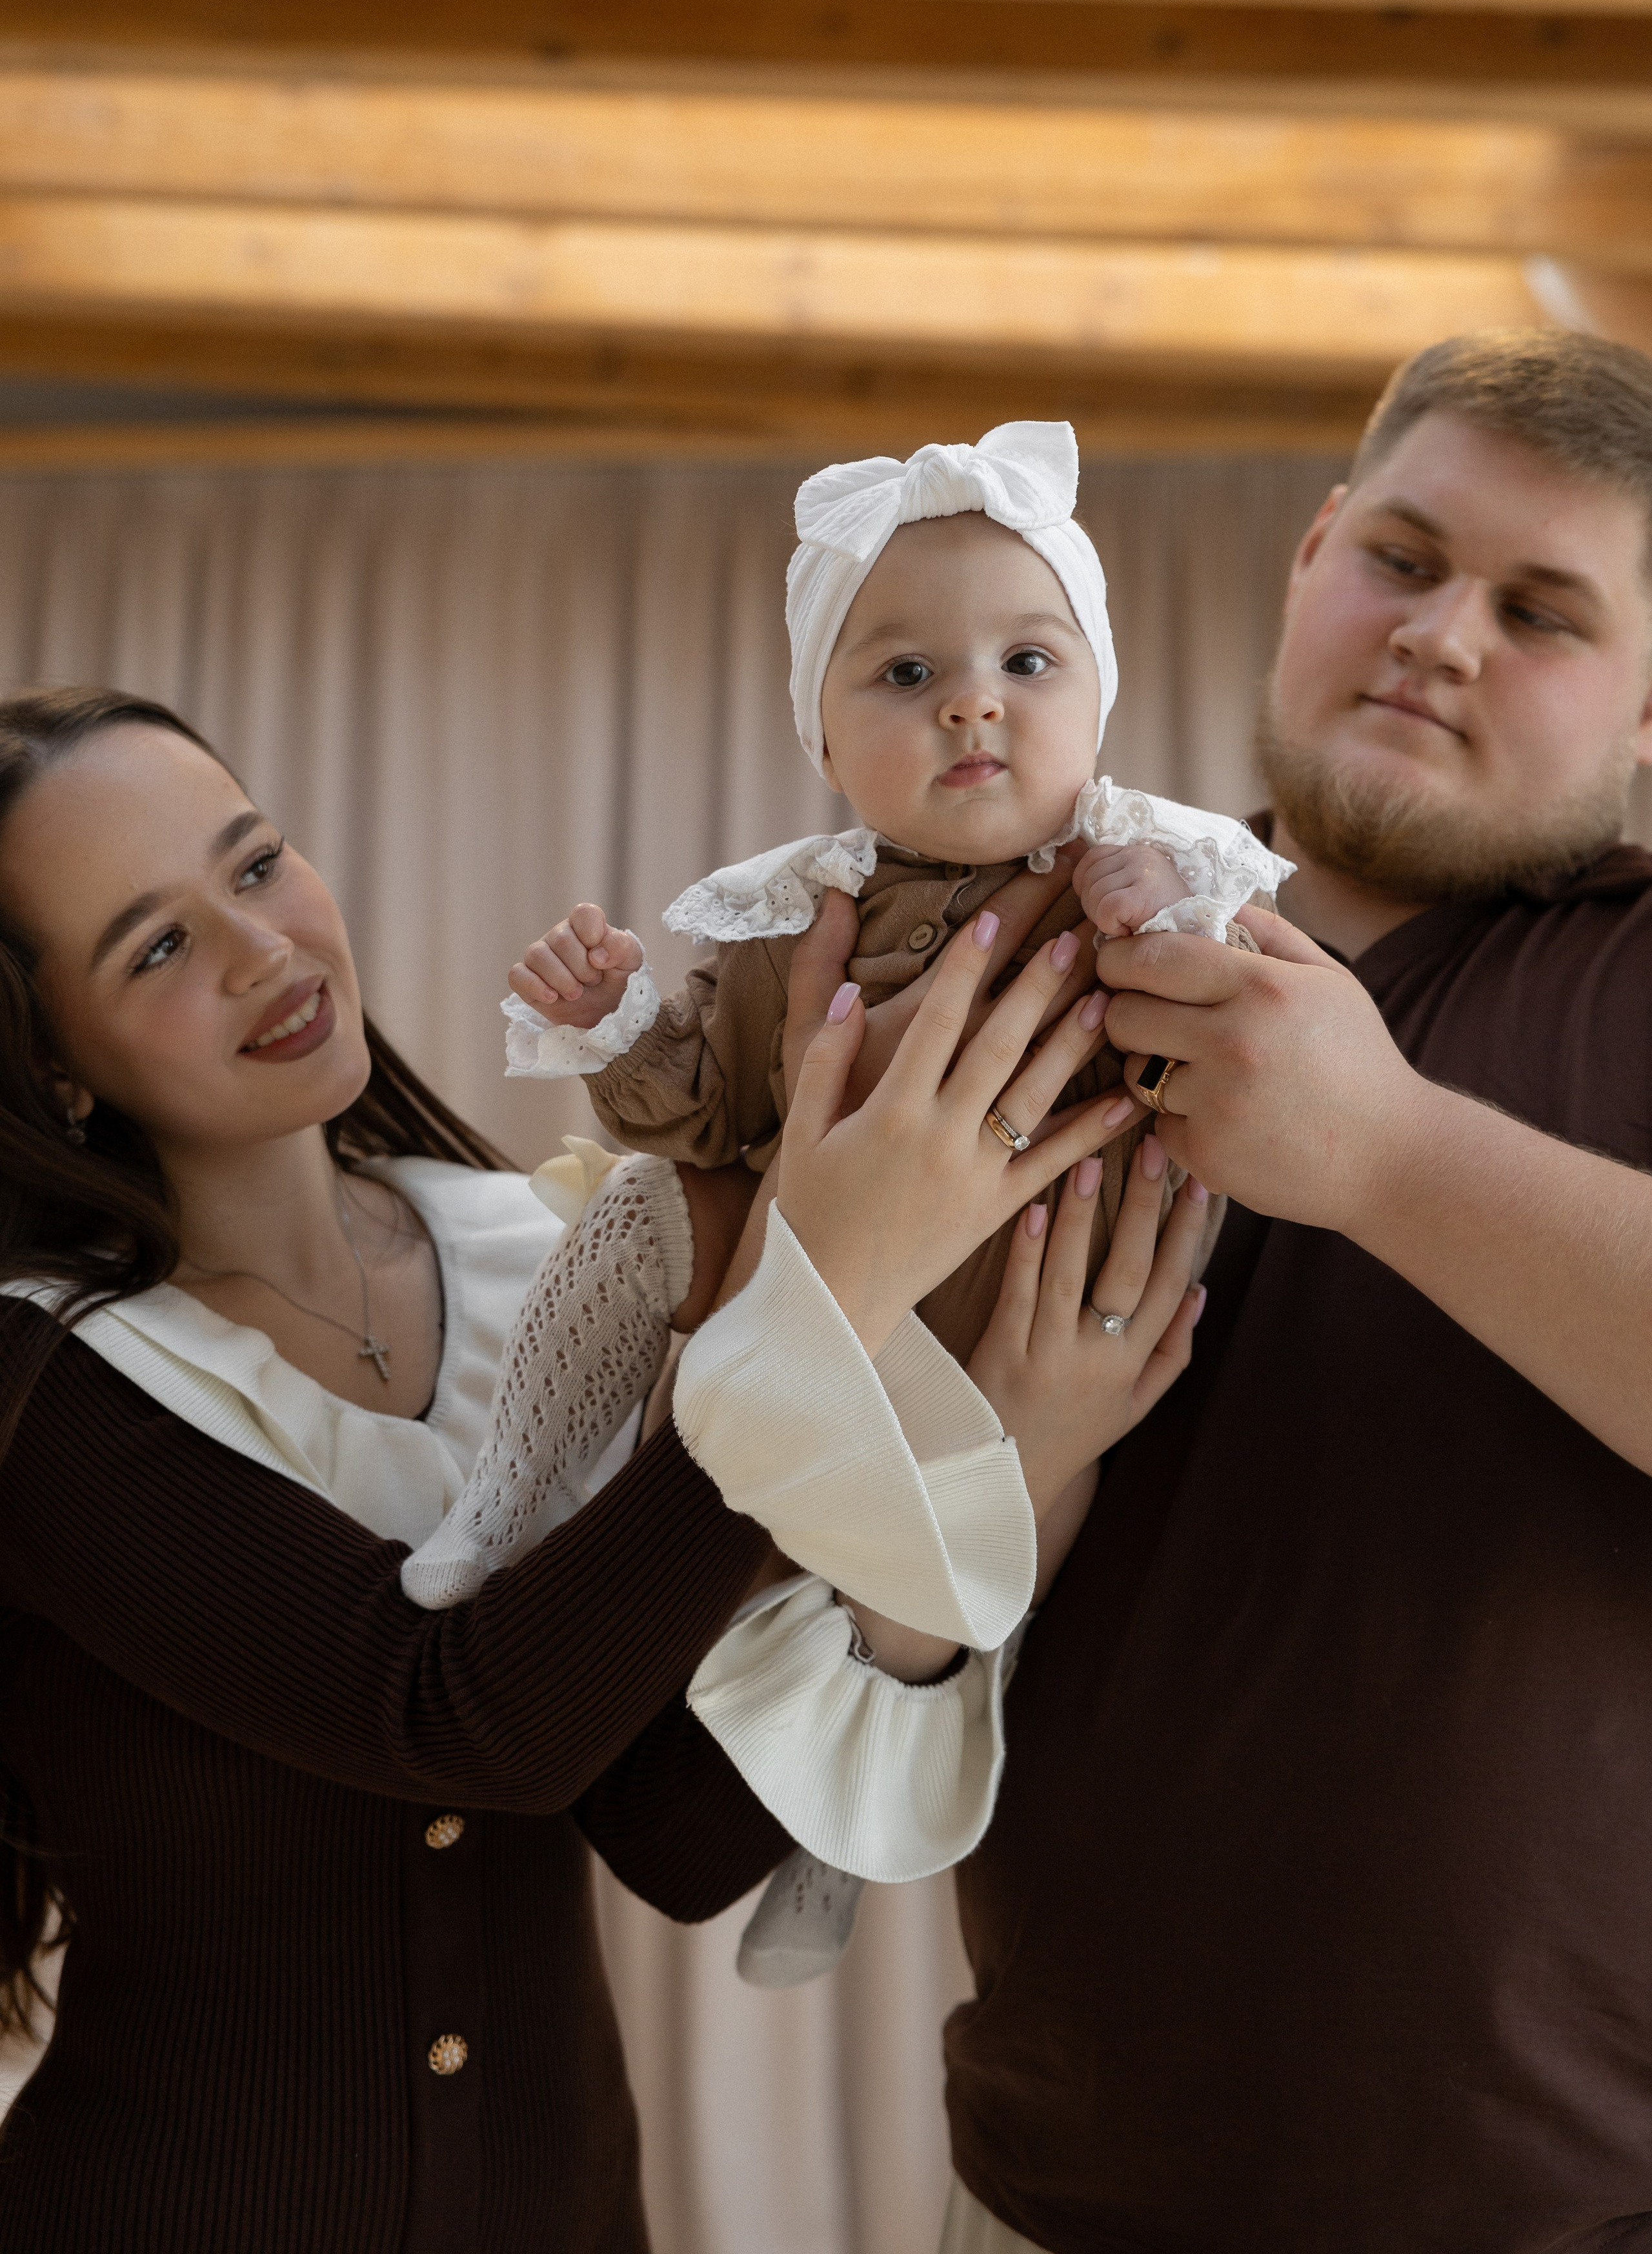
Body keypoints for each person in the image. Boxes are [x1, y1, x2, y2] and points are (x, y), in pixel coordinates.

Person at [0, 685, 1202, 2253]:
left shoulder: (535, 1260)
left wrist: (1009, 1468)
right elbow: (452, 1718)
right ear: (52, 1067)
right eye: (152, 946)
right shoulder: (47, 1380)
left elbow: (672, 1833)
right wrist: (803, 1309)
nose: (263, 949)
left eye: (254, 863)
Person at [877, 329, 1652, 2254]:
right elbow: (888, 1642)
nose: (1441, 635)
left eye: (1543, 610)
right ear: (1313, 556)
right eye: (1403, 558)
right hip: (1051, 2192)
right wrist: (1001, 1464)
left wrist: (1384, 1152)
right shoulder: (1022, 953)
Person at [501, 419, 1287, 1364]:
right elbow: (708, 1119)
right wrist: (608, 1022)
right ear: (822, 741)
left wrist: (1175, 922)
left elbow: (1261, 1055)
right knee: (632, 1217)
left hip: (1090, 1342)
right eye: (907, 673)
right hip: (845, 1362)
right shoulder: (794, 921)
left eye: (1027, 662)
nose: (973, 703)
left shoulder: (1167, 866)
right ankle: (505, 1504)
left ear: (1100, 699)